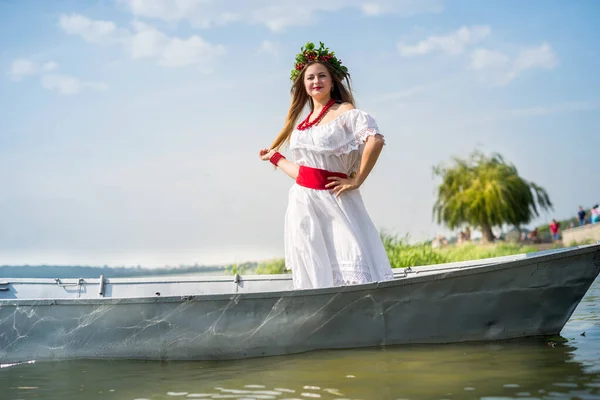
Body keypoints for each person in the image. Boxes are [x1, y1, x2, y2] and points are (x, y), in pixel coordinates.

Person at [258, 41, 394, 290]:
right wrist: (276, 158)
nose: (316, 81)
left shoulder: (345, 112)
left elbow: (374, 140)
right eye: (310, 77)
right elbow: (304, 174)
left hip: (334, 201)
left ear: (333, 81)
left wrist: (357, 179)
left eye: (322, 75)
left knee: (348, 258)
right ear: (304, 85)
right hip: (304, 203)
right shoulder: (303, 124)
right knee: (315, 270)